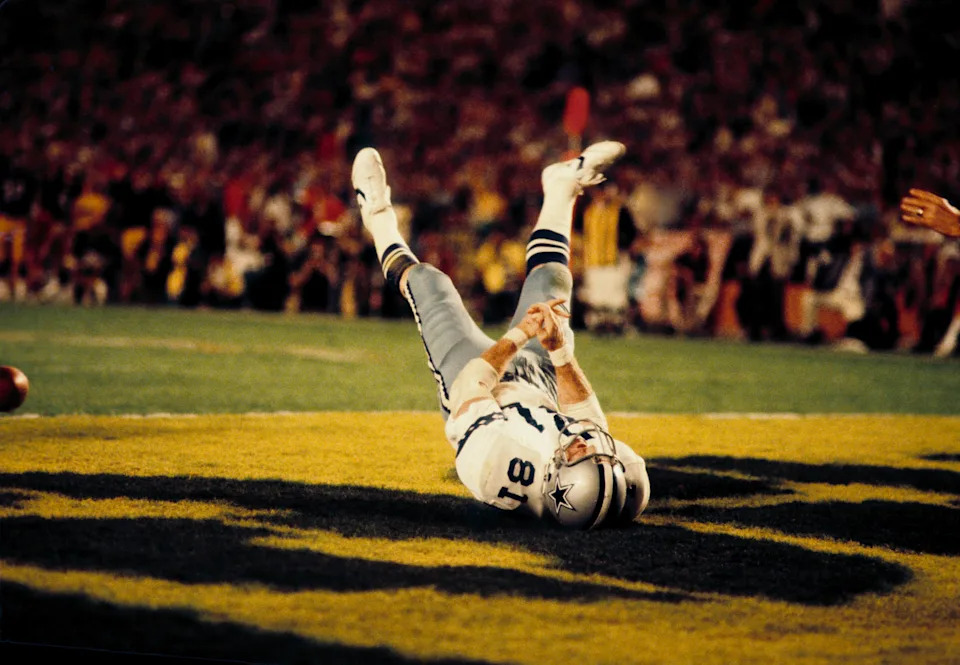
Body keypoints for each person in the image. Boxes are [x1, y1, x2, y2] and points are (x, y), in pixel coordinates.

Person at [351, 142, 650, 530]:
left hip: (477, 385)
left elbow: (472, 385)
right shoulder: (623, 480)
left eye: (581, 454)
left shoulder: (496, 464)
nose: (588, 445)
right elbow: (589, 421)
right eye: (597, 456)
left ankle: (377, 216)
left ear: (556, 481)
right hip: (542, 389)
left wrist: (522, 334)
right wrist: (558, 350)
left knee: (429, 284)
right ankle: (562, 187)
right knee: (553, 281)